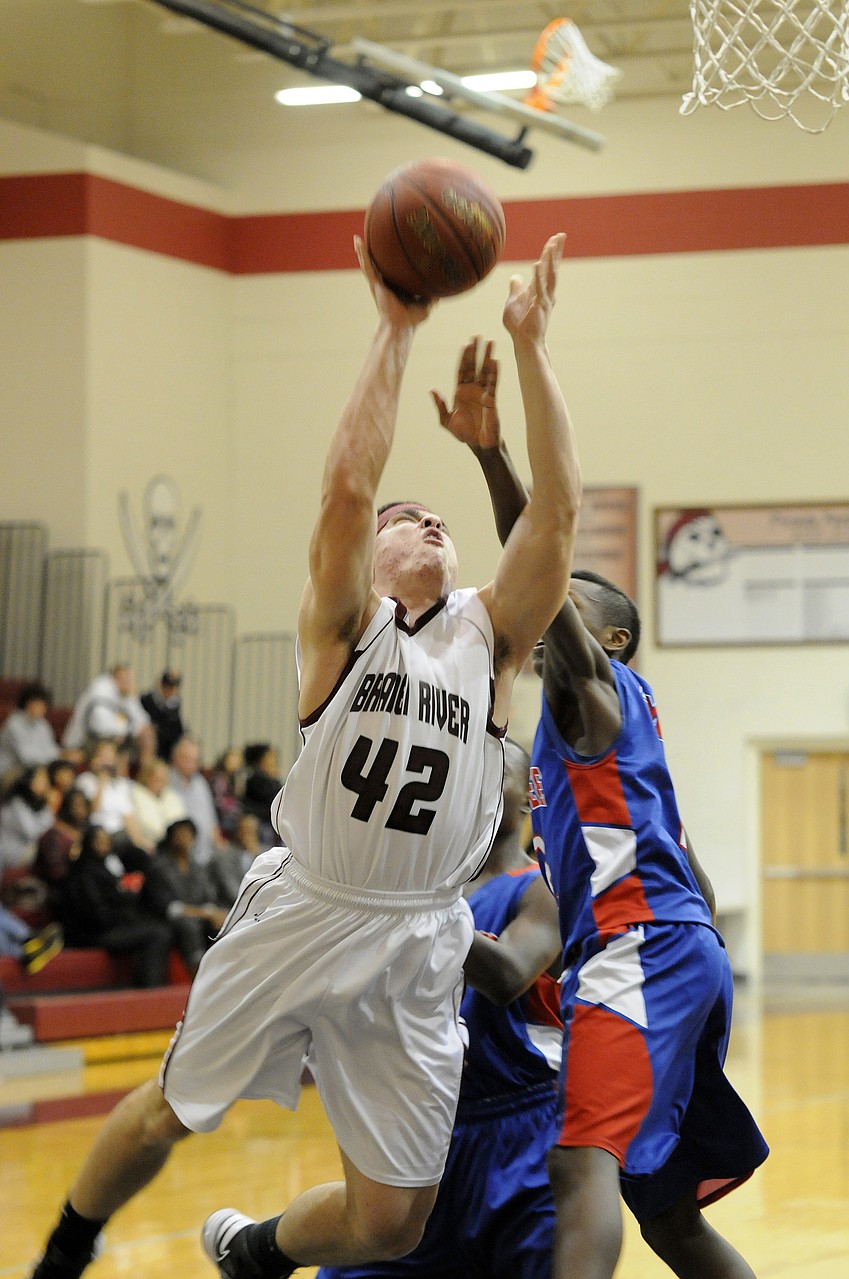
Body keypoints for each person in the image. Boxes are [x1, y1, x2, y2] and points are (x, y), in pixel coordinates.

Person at [28, 230, 579, 1279]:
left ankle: (257, 1248)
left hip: (421, 935)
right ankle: (63, 1252)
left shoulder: (488, 638)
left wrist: (533, 350)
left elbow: (555, 515)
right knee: (164, 1115)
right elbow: (343, 490)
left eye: (438, 519)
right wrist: (395, 327)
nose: (422, 521)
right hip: (308, 905)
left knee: (391, 1225)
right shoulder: (343, 626)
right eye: (401, 517)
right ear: (368, 559)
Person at [444, 381, 769, 1278]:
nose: (547, 605)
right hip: (669, 951)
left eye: (569, 603)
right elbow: (696, 884)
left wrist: (490, 453)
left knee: (576, 1160)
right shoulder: (600, 742)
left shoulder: (593, 697)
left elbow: (536, 556)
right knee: (667, 1215)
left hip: (643, 952)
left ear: (613, 641)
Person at [316, 739, 563, 1279]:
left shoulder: (545, 887)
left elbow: (509, 975)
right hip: (421, 1125)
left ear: (526, 801)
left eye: (497, 773)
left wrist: (407, 904)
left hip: (523, 1131)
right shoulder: (423, 891)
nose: (479, 783)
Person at [57, 824, 173, 989]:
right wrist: (124, 913)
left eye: (106, 841)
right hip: (93, 933)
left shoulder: (105, 867)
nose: (104, 845)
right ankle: (150, 989)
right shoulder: (83, 873)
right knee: (158, 934)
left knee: (158, 926)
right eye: (99, 841)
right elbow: (96, 913)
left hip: (111, 926)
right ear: (89, 843)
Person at [142, 818, 227, 975]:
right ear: (171, 838)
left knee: (224, 922)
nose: (185, 838)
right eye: (180, 834)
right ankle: (197, 973)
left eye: (189, 834)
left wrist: (214, 913)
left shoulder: (197, 866)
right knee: (189, 925)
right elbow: (168, 907)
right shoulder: (158, 867)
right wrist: (204, 913)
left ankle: (225, 973)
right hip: (165, 919)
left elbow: (208, 898)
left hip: (198, 916)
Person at [74, 740, 147, 858]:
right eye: (103, 756)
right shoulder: (85, 781)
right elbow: (91, 810)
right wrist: (101, 781)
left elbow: (128, 817)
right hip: (97, 833)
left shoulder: (119, 785)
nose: (106, 761)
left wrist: (141, 845)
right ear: (94, 758)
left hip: (120, 836)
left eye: (110, 757)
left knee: (142, 856)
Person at [61, 664, 151, 755]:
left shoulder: (125, 693)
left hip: (108, 736)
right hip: (83, 741)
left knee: (147, 734)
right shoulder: (100, 689)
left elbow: (143, 722)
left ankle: (147, 768)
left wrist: (132, 697)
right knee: (119, 743)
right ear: (113, 678)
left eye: (130, 680)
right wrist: (125, 731)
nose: (128, 682)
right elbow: (100, 725)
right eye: (125, 679)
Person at [168, 735, 227, 867]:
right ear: (174, 758)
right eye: (186, 759)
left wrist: (220, 845)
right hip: (179, 854)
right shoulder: (165, 781)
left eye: (194, 760)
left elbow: (212, 821)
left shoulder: (200, 783)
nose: (190, 765)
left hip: (207, 853)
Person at [0, 681, 61, 786]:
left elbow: (51, 748)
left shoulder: (43, 724)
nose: (41, 708)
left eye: (43, 705)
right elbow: (27, 757)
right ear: (27, 703)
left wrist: (60, 755)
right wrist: (57, 756)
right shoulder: (14, 723)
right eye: (37, 704)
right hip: (9, 771)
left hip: (33, 770)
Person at [0, 765, 56, 871]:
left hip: (23, 860)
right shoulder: (15, 802)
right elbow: (31, 832)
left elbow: (50, 822)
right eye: (40, 779)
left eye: (46, 780)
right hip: (7, 857)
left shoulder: (39, 804)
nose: (45, 784)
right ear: (29, 781)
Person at [130, 757, 187, 852]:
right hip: (149, 848)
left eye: (163, 779)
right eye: (157, 778)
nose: (161, 782)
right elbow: (149, 826)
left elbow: (181, 821)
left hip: (174, 846)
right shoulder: (137, 794)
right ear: (147, 777)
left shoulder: (171, 796)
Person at [210, 811, 263, 909]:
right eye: (246, 831)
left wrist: (257, 855)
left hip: (259, 906)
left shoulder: (264, 855)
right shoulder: (224, 857)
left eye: (253, 831)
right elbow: (233, 892)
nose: (250, 836)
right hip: (231, 909)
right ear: (238, 832)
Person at [240, 743, 284, 847]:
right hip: (263, 824)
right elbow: (275, 799)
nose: (274, 760)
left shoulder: (266, 779)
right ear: (262, 760)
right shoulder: (256, 778)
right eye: (270, 757)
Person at [140, 670, 186, 763]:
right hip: (153, 741)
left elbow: (178, 728)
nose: (169, 690)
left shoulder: (175, 704)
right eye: (167, 686)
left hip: (169, 744)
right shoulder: (147, 700)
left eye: (172, 687)